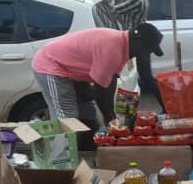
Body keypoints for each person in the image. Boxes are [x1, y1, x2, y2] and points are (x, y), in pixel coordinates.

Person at [31, 24, 164, 130]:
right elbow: (100, 91)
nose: (144, 56)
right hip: (51, 64)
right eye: (145, 50)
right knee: (67, 117)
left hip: (73, 70)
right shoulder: (112, 48)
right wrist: (109, 118)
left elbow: (109, 82)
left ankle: (90, 149)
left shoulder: (123, 45)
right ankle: (63, 160)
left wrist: (111, 116)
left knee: (88, 112)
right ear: (137, 41)